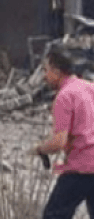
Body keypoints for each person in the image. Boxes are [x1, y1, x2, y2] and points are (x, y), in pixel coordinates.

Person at [31, 50, 94, 219]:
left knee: (54, 215)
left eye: (45, 70)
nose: (44, 76)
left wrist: (40, 149)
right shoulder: (90, 88)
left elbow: (59, 142)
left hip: (80, 168)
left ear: (57, 71)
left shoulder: (64, 97)